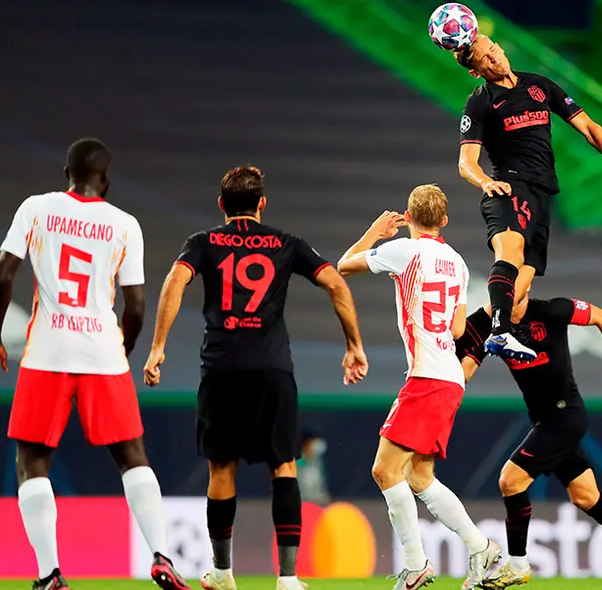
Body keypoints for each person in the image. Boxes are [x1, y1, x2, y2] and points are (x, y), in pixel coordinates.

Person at [142, 166, 368, 590]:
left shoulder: (204, 242)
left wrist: (158, 347)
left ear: (221, 205)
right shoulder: (287, 243)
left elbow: (176, 280)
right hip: (272, 369)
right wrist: (353, 344)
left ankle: (224, 573)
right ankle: (287, 578)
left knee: (221, 469)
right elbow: (336, 284)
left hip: (222, 369)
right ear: (262, 203)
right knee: (283, 466)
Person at [0, 138, 191, 590]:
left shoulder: (36, 208)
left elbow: (3, 275)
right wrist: (122, 351)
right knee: (133, 458)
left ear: (66, 173)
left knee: (32, 462)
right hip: (102, 351)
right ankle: (161, 555)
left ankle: (49, 574)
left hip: (47, 351)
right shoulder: (125, 224)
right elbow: (135, 303)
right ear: (106, 179)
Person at [337, 184, 501, 590]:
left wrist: (376, 233)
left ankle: (415, 564)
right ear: (444, 221)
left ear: (408, 218)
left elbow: (343, 266)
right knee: (419, 476)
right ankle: (480, 547)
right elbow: (460, 328)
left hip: (426, 376)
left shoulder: (404, 252)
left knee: (384, 469)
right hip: (450, 376)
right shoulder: (458, 263)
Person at [455, 290, 602, 590]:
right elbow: (465, 371)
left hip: (565, 417)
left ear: (525, 289)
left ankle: (517, 566)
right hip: (545, 421)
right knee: (586, 496)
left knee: (510, 481)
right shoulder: (497, 330)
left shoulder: (552, 311)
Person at [454, 34, 602, 362]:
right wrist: (485, 182)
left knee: (521, 288)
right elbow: (465, 162)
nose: (495, 58)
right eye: (485, 59)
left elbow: (588, 127)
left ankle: (467, 343)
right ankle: (499, 333)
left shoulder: (538, 86)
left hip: (542, 196)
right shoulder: (480, 101)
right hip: (509, 189)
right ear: (476, 72)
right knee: (509, 254)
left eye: (493, 50)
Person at [297, 428, 332, 506]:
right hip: (302, 501)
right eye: (314, 442)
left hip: (319, 500)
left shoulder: (318, 461)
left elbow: (322, 483)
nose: (317, 445)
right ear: (306, 443)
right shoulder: (297, 461)